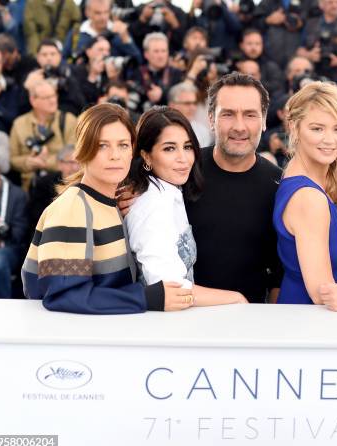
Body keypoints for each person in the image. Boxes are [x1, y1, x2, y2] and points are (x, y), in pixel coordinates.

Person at [119, 72, 283, 304]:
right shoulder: (181, 173)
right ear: (210, 118)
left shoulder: (281, 185)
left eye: (250, 115)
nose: (239, 126)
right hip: (186, 325)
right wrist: (130, 190)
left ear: (265, 120)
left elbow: (281, 269)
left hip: (252, 321)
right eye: (227, 114)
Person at [22, 102, 194, 314]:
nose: (115, 155)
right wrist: (146, 297)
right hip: (68, 338)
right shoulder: (73, 207)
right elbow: (63, 295)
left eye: (123, 145)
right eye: (102, 145)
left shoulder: (112, 201)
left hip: (105, 332)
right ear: (82, 151)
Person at [125, 106, 247, 305]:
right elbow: (168, 288)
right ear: (146, 155)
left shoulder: (170, 191)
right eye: (169, 148)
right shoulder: (153, 204)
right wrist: (236, 298)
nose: (183, 158)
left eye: (188, 147)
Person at [273, 81, 337, 306]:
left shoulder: (312, 177)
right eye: (317, 128)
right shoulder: (309, 198)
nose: (330, 140)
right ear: (293, 126)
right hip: (312, 323)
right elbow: (325, 295)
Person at [9, 80, 77, 192]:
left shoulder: (68, 120)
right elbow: (12, 159)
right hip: (29, 188)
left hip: (62, 188)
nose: (53, 100)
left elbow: (75, 157)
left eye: (54, 95)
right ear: (33, 100)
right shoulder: (19, 124)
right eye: (47, 98)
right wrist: (28, 162)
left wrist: (44, 163)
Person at [0, 150, 27, 298]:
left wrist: (0, 231)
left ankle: (5, 306)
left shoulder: (16, 194)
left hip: (10, 247)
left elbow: (20, 233)